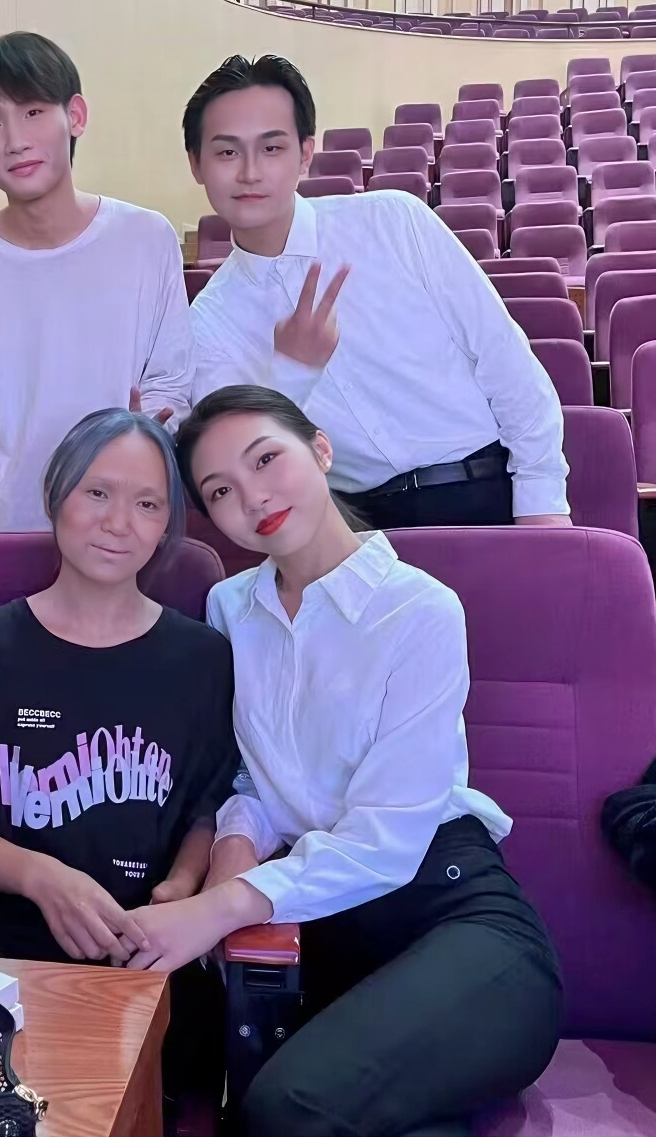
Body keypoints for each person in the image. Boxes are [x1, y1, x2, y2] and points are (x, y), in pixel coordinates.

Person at [133, 385, 564, 1136]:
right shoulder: (230, 608)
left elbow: (385, 839)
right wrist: (234, 845)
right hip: (324, 929)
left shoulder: (419, 609)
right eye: (221, 490)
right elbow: (253, 772)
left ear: (321, 450)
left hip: (452, 917)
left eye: (266, 459)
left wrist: (221, 906)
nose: (253, 497)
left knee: (286, 1108)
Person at [0, 406, 238, 964]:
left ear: (166, 525)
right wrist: (41, 877)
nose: (118, 523)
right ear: (56, 495)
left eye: (147, 504)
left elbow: (210, 808)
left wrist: (181, 887)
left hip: (140, 952)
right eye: (97, 493)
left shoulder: (204, 658)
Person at [183, 56, 570, 530]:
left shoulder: (393, 222)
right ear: (196, 164)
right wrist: (292, 373)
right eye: (226, 152)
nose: (249, 172)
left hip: (486, 488)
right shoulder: (208, 322)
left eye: (271, 148)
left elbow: (504, 359)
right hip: (356, 530)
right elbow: (241, 466)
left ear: (305, 154)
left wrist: (541, 504)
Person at [0, 32, 193, 535]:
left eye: (32, 112)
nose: (15, 140)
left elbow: (169, 386)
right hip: (5, 525)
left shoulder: (146, 238)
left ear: (74, 115)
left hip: (118, 531)